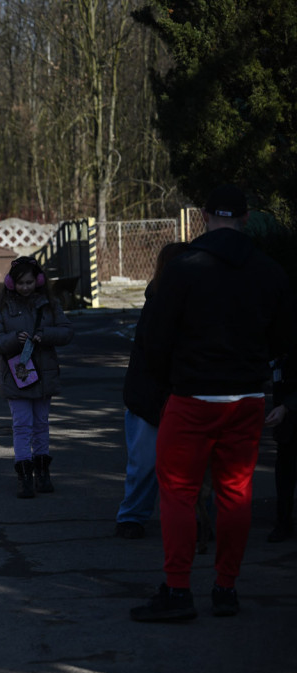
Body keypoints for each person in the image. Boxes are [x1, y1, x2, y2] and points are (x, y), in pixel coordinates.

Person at [130, 184, 295, 622]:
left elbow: (153, 338)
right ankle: (226, 588)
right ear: (246, 217)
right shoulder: (270, 271)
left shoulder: (183, 268)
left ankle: (178, 590)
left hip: (192, 396)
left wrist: (168, 382)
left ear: (204, 215)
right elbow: (284, 340)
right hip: (245, 397)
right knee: (236, 494)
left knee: (180, 494)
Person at [115, 242, 189, 539]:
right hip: (152, 395)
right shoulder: (158, 302)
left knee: (153, 464)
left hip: (161, 393)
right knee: (147, 463)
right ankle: (133, 516)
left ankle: (135, 517)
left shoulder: (162, 299)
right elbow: (154, 355)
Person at [0, 256, 74, 498]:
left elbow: (67, 332)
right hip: (17, 376)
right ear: (11, 284)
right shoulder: (3, 308)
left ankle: (43, 472)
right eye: (21, 283)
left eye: (29, 282)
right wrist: (15, 339)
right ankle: (24, 474)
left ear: (39, 281)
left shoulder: (50, 304)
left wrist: (44, 335)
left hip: (43, 375)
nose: (25, 287)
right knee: (22, 425)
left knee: (41, 424)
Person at [266, 352, 297, 542]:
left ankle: (284, 522)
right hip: (286, 419)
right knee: (285, 470)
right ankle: (283, 521)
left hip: (287, 411)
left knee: (285, 470)